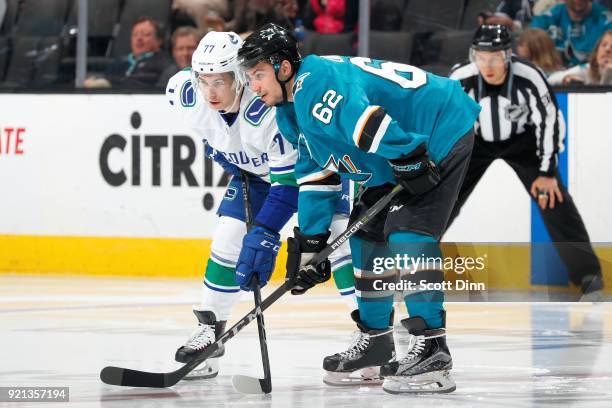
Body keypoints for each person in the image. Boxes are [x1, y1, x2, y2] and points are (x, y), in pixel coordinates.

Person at [238, 23, 481, 394]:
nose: (253, 86)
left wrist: (409, 154)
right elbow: (317, 175)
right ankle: (377, 340)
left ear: (283, 68)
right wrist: (312, 243)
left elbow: (366, 121)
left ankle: (433, 347)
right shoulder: (289, 110)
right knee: (367, 238)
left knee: (408, 232)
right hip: (395, 151)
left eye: (258, 74)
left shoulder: (315, 83)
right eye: (249, 77)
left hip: (437, 128)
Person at [165, 30, 357, 379]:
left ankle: (369, 336)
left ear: (239, 77)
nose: (210, 92)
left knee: (339, 244)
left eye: (220, 82)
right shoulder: (184, 94)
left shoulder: (267, 112)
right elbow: (215, 135)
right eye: (203, 80)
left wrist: (265, 234)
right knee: (226, 239)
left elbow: (285, 188)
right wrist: (220, 152)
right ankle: (211, 333)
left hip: (314, 171)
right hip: (255, 177)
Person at [448, 25, 604, 301]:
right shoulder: (460, 77)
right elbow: (444, 122)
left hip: (523, 142)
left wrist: (546, 172)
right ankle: (406, 272)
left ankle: (588, 278)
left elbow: (550, 120)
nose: (488, 65)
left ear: (508, 54)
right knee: (442, 201)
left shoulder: (529, 76)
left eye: (495, 57)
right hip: (476, 142)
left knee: (553, 199)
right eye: (481, 57)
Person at [85, 17, 172, 88]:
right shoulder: (120, 61)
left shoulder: (163, 63)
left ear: (159, 41)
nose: (139, 38)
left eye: (145, 34)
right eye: (135, 34)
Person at [531, 0, 612, 66]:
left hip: (593, 78)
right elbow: (529, 42)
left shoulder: (605, 20)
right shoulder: (547, 18)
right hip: (554, 77)